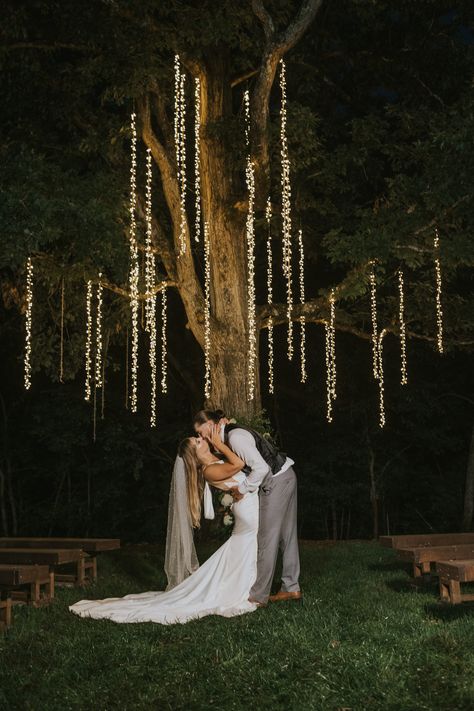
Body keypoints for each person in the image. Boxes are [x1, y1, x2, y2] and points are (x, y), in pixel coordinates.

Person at [69, 425, 260, 624]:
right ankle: (242, 589)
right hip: (247, 510)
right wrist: (220, 444)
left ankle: (243, 586)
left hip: (246, 505)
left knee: (240, 551)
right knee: (243, 548)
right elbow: (238, 463)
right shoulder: (209, 470)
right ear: (195, 453)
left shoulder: (214, 461)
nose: (200, 439)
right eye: (197, 441)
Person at [194, 409, 301, 607]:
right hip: (287, 476)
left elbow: (261, 468)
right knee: (287, 535)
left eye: (201, 433)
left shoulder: (235, 438)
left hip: (276, 482)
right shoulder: (230, 436)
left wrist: (242, 489)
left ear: (211, 425)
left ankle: (259, 596)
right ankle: (290, 586)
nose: (201, 437)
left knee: (266, 539)